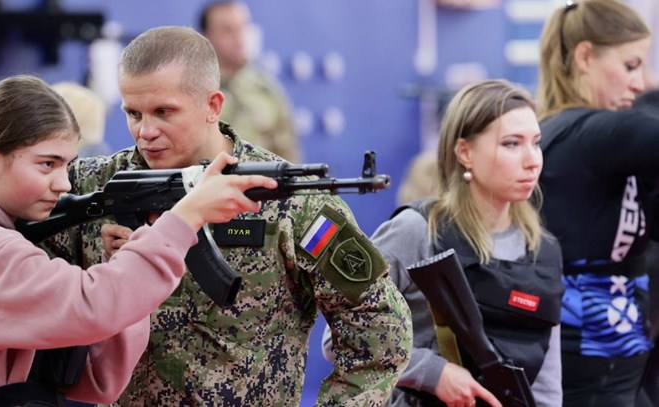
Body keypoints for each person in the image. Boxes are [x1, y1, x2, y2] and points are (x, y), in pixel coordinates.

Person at [0, 27, 412, 406]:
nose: (144, 131)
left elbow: (380, 330)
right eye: (132, 113)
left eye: (163, 112)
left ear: (212, 104)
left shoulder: (292, 202)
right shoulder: (88, 183)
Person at [0, 74, 277, 406]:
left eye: (67, 164)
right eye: (47, 164)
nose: (64, 183)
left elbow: (97, 381)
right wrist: (186, 217)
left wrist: (125, 266)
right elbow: (93, 304)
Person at [323, 79, 565, 407]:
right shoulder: (418, 231)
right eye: (511, 144)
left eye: (535, 143)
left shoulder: (542, 250)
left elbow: (547, 385)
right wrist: (434, 374)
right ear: (465, 152)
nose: (532, 159)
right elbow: (341, 335)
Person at [536, 0, 659, 405]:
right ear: (586, 56)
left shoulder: (591, 138)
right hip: (591, 364)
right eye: (630, 65)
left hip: (615, 359)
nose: (640, 83)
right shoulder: (589, 135)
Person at [199, 1, 302, 163]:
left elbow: (288, 155)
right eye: (227, 30)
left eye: (242, 28)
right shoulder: (193, 88)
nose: (238, 37)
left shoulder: (266, 89)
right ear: (206, 36)